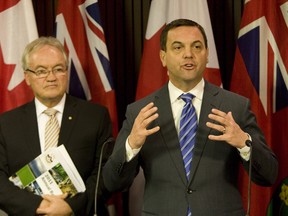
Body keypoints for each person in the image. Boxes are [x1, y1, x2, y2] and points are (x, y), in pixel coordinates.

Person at [102, 19, 278, 216]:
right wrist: (131, 146)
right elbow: (112, 182)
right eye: (178, 47)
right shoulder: (140, 112)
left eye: (197, 46)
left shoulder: (234, 107)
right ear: (163, 57)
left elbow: (269, 175)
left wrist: (244, 143)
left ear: (207, 53)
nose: (189, 54)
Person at [0, 36, 113, 215]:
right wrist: (40, 206)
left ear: (66, 73)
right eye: (41, 71)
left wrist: (71, 207)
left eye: (58, 69)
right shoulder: (6, 124)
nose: (51, 77)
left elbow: (106, 174)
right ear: (27, 77)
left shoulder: (95, 117)